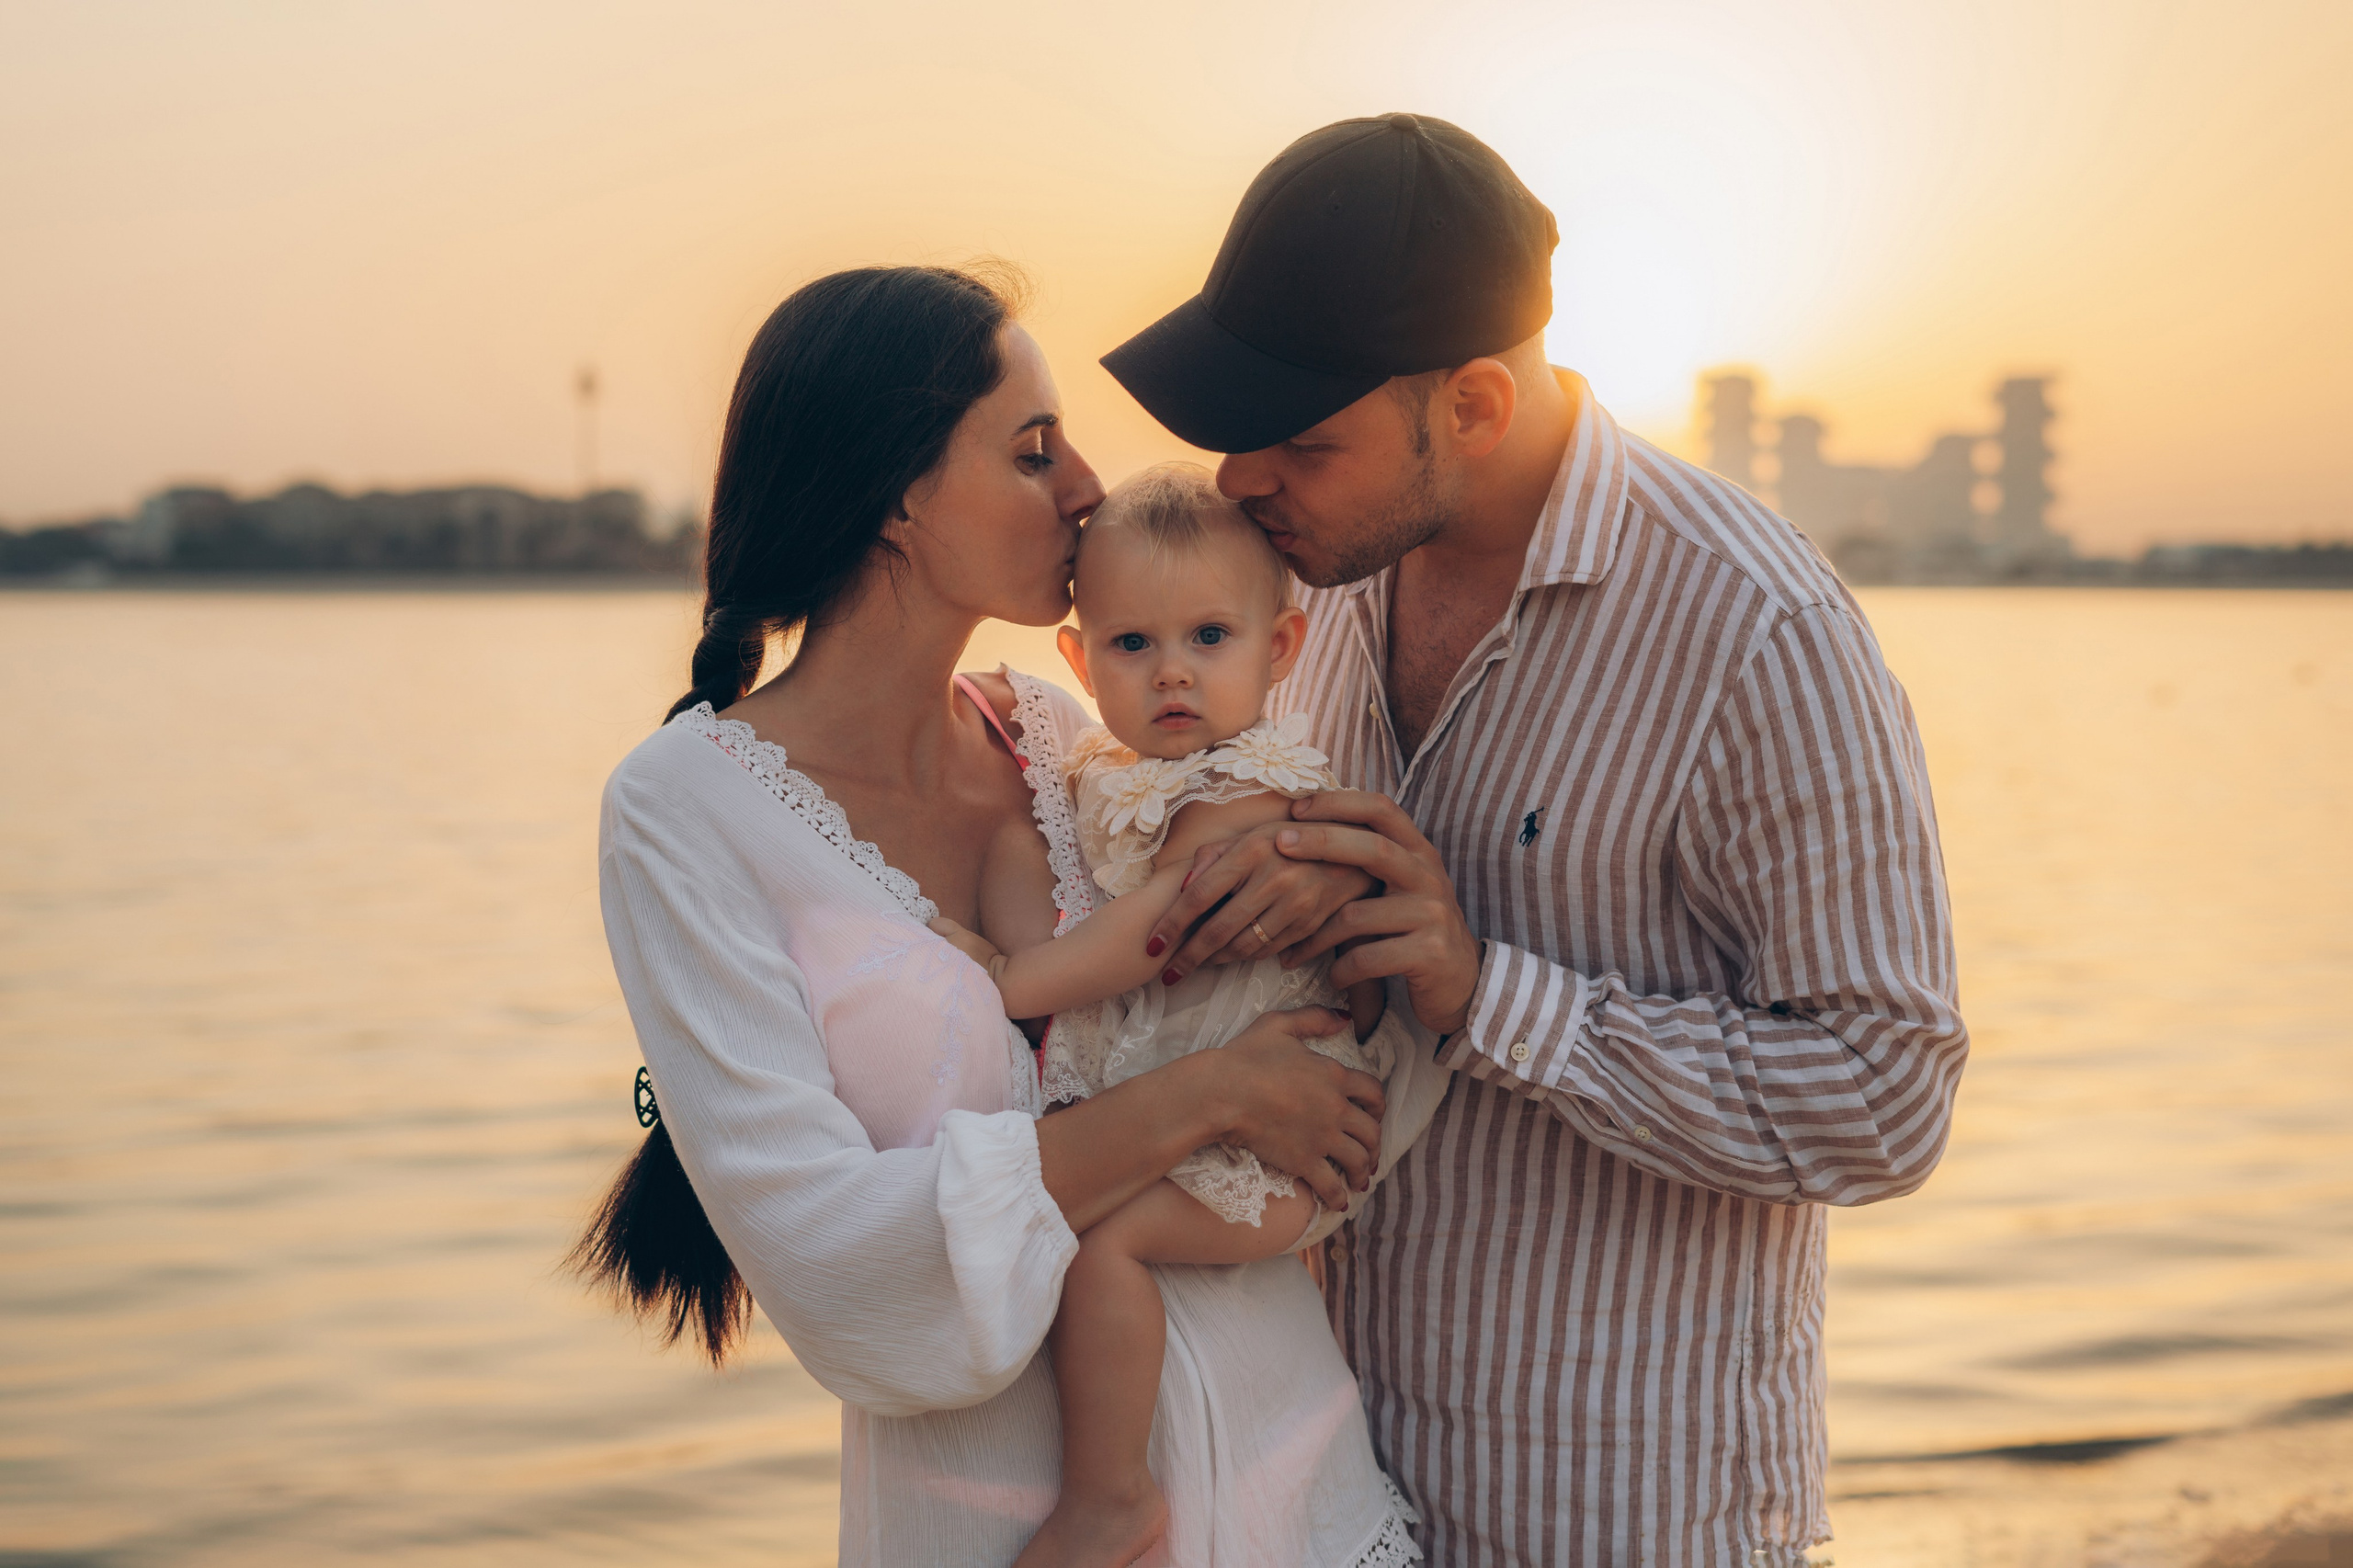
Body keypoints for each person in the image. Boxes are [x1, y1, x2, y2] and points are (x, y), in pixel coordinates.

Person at [1102, 114, 1970, 1566]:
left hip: (1613, 1510)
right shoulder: (1309, 587)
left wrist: (1484, 991)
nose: (1245, 477)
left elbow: (1887, 1098)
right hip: (1311, 1491)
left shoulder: (1759, 629)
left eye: (1302, 440)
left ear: (1479, 408)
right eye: (1238, 430)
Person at [574, 262, 1422, 1567]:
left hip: (1298, 1488)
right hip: (1001, 1528)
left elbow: (1202, 923)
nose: (1086, 485)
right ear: (900, 496)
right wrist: (1209, 1096)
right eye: (1035, 452)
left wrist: (1298, 879)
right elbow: (842, 1270)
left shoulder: (1052, 729)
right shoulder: (682, 813)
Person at [929, 463, 1449, 1568]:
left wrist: (1009, 981)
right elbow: (1062, 871)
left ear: (1283, 649)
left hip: (1275, 1157)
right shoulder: (1113, 771)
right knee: (1024, 840)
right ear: (1079, 659)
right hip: (1203, 1104)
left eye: (1210, 636)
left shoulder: (1243, 787)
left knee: (1100, 1245)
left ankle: (1109, 1499)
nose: (1173, 672)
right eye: (1131, 645)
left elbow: (1150, 933)